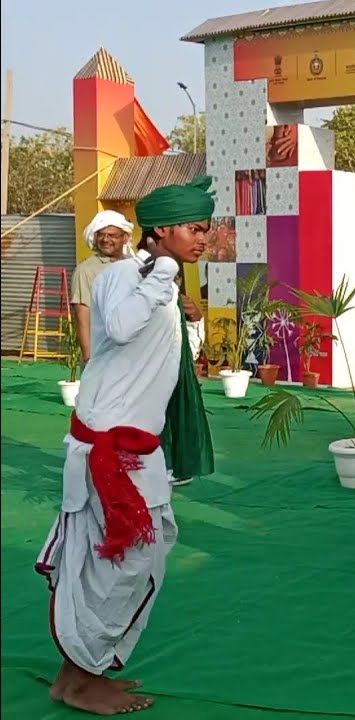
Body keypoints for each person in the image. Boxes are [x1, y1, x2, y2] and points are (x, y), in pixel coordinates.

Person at [35, 178, 211, 714]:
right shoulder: (122, 277)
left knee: (122, 559)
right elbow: (119, 324)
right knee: (127, 560)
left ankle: (77, 673)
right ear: (161, 231)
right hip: (114, 452)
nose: (202, 237)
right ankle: (84, 678)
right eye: (194, 228)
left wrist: (168, 281)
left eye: (205, 228)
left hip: (128, 447)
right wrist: (164, 273)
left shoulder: (149, 279)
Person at [135, 232, 212, 489]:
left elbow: (186, 346)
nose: (201, 240)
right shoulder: (132, 275)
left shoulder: (173, 287)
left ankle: (169, 465)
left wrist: (195, 318)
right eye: (193, 230)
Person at [71, 211, 133, 363]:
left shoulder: (134, 266)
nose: (106, 239)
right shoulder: (86, 270)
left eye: (112, 235)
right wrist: (88, 357)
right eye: (101, 235)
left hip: (132, 352)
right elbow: (82, 316)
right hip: (101, 353)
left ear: (124, 238)